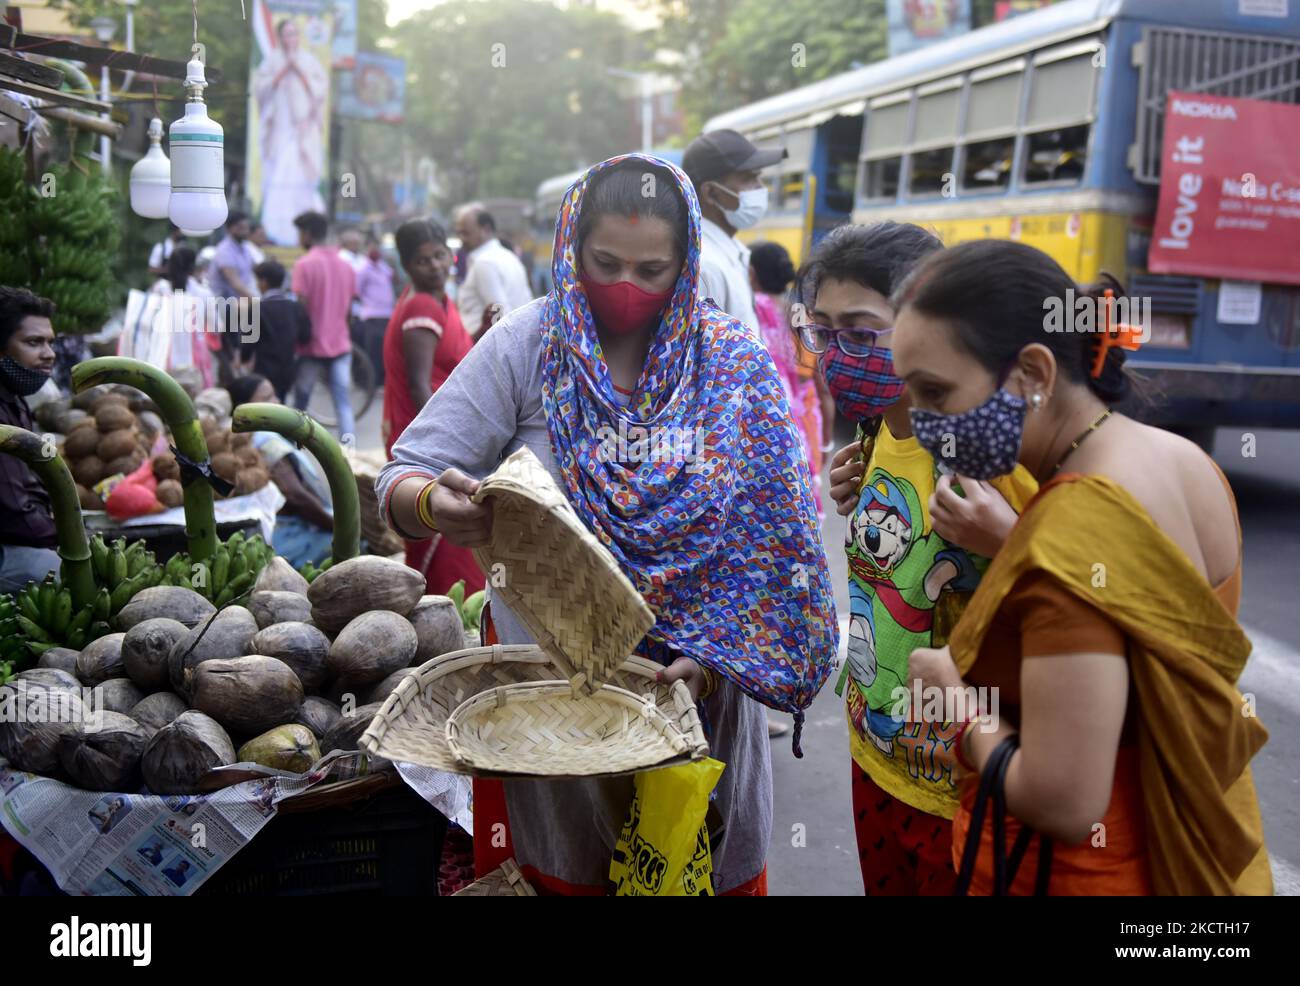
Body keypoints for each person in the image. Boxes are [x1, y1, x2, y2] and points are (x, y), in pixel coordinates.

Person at [377, 154, 837, 896]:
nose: (628, 286)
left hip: (701, 715)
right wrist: (438, 506)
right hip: (559, 721)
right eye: (606, 262)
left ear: (687, 264)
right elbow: (402, 473)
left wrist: (717, 657)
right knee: (573, 880)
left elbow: (781, 553)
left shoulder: (736, 367)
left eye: (653, 268)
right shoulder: (528, 348)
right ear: (571, 247)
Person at [893, 240, 1271, 895]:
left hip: (1072, 876)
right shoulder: (1184, 462)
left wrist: (950, 697)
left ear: (1033, 373)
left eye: (936, 392)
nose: (922, 423)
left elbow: (1064, 799)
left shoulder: (1074, 526)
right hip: (1177, 849)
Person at [805, 224, 1038, 896]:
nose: (837, 355)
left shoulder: (981, 446)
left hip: (956, 778)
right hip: (873, 750)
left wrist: (1010, 541)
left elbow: (1072, 587)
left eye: (861, 330)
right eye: (822, 332)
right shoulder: (877, 427)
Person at [380, 219, 481, 596]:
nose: (436, 266)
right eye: (424, 261)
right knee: (450, 555)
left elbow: (456, 362)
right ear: (407, 266)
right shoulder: (421, 306)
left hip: (441, 435)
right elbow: (420, 384)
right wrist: (444, 448)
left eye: (441, 255)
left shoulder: (438, 300)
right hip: (432, 446)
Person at [749, 241, 828, 513]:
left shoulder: (754, 307)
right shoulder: (800, 314)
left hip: (766, 421)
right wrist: (826, 438)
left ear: (752, 274)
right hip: (804, 422)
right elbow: (812, 378)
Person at [681, 128, 785, 335]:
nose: (760, 188)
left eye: (759, 178)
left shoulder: (731, 252)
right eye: (748, 178)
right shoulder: (707, 266)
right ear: (710, 192)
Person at [227, 374, 334, 568]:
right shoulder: (265, 441)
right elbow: (296, 496)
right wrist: (337, 527)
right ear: (244, 406)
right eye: (267, 398)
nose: (277, 402)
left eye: (274, 396)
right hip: (286, 533)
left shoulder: (253, 436)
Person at [0, 288, 59, 594]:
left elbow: (30, 485)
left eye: (50, 342)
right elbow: (13, 511)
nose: (49, 353)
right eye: (34, 342)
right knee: (64, 572)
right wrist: (67, 537)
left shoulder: (16, 400)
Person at [253, 17, 329, 245]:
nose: (291, 38)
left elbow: (319, 89)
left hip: (303, 129)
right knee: (279, 174)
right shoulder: (272, 61)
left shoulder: (309, 61)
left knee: (301, 174)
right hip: (280, 126)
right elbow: (261, 88)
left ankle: (305, 230)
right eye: (287, 34)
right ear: (280, 37)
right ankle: (275, 230)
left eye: (295, 33)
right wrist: (283, 71)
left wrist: (300, 72)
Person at [290, 211, 357, 440]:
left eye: (299, 233)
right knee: (343, 403)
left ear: (307, 234)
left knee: (301, 402)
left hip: (311, 346)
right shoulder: (346, 265)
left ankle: (295, 448)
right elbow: (349, 308)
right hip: (340, 343)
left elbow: (300, 306)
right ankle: (350, 455)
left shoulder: (304, 264)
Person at [451, 202, 533, 338]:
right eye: (459, 233)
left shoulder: (484, 263)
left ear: (486, 230)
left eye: (465, 233)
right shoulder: (508, 255)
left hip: (488, 347)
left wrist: (497, 349)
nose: (461, 239)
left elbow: (499, 313)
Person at [148, 246, 217, 389]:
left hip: (161, 357)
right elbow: (215, 327)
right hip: (194, 362)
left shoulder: (159, 290)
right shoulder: (203, 293)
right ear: (192, 268)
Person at [250, 259, 312, 401]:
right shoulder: (295, 307)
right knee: (281, 401)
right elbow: (306, 336)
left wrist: (244, 358)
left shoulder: (257, 308)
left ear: (263, 282)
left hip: (263, 368)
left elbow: (248, 342)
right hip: (288, 367)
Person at [209, 212, 258, 370]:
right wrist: (255, 299)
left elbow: (254, 273)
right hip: (222, 302)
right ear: (230, 229)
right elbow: (235, 283)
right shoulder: (224, 250)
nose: (245, 231)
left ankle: (244, 358)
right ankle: (237, 357)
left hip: (239, 300)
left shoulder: (246, 248)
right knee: (248, 316)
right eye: (241, 228)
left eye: (246, 227)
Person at [355, 234, 395, 387]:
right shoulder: (363, 268)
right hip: (371, 315)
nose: (375, 250)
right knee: (372, 352)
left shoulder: (384, 267)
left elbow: (391, 281)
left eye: (377, 246)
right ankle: (371, 383)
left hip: (386, 314)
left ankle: (381, 383)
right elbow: (357, 291)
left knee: (384, 350)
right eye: (372, 246)